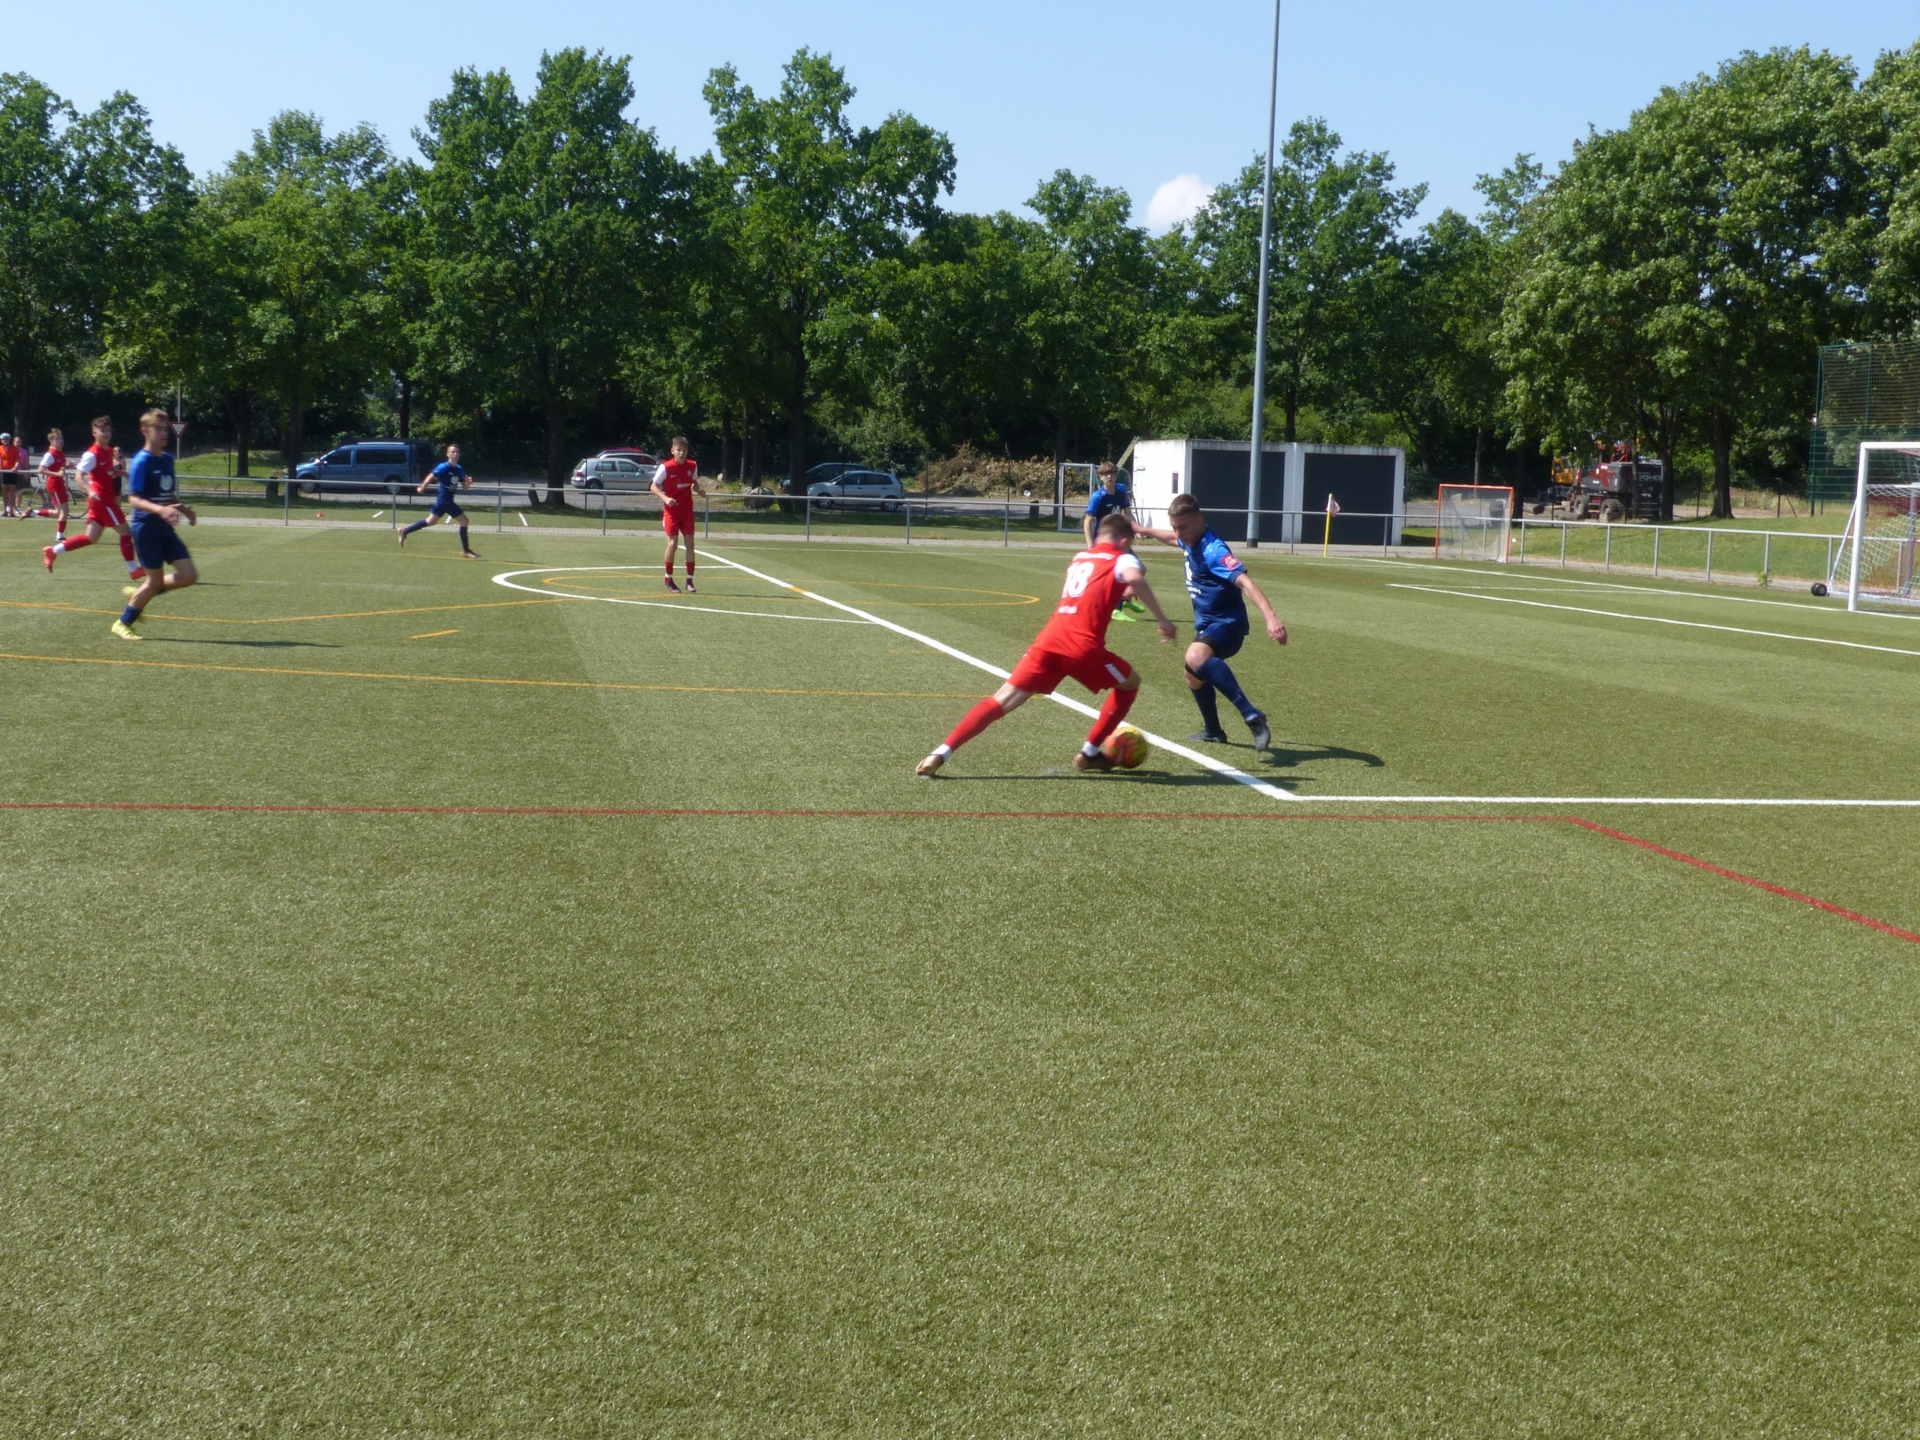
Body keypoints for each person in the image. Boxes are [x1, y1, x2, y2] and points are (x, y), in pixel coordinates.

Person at [916, 513, 1177, 777]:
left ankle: (940, 753)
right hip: (1081, 647)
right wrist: (1163, 620)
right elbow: (1134, 577)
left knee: (1001, 700)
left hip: (1048, 642)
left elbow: (1098, 586)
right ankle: (1089, 753)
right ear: (1123, 541)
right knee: (1130, 683)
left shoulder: (1080, 557)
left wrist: (1121, 587)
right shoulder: (1121, 558)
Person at [1135, 493, 1287, 751]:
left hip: (1228, 624)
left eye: (1182, 527)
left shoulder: (1213, 550)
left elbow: (1245, 582)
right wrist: (1145, 529)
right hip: (1209, 624)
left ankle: (1252, 715)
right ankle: (1213, 731)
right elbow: (1172, 539)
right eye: (1175, 527)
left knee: (1195, 657)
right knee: (1192, 676)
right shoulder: (1189, 538)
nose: (1178, 533)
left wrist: (1271, 617)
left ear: (1199, 520)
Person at [112, 410, 197, 641]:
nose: (163, 433)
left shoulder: (167, 459)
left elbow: (167, 492)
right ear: (145, 431)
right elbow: (134, 499)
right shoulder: (142, 461)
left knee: (189, 575)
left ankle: (142, 593)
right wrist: (161, 510)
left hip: (164, 527)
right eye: (157, 429)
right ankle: (122, 623)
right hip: (146, 528)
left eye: (164, 428)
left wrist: (183, 508)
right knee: (155, 581)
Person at [43, 416, 142, 579]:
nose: (106, 433)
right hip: (102, 500)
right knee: (126, 532)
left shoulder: (108, 451)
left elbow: (109, 472)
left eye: (108, 430)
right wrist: (90, 491)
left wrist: (124, 473)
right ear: (94, 432)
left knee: (91, 537)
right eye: (102, 430)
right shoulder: (91, 454)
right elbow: (78, 476)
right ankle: (133, 570)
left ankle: (53, 551)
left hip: (102, 500)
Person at [399, 444, 477, 557]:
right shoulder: (444, 466)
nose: (455, 454)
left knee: (430, 521)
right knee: (464, 521)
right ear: (448, 454)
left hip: (445, 501)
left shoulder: (459, 469)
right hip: (445, 500)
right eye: (453, 452)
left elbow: (465, 488)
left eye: (457, 452)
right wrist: (422, 487)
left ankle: (405, 530)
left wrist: (468, 482)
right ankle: (465, 550)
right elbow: (431, 475)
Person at [650, 435, 705, 592]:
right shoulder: (666, 467)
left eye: (684, 450)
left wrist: (699, 490)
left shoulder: (692, 466)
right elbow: (653, 486)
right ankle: (668, 578)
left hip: (686, 511)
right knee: (672, 544)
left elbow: (694, 482)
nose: (682, 453)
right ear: (672, 451)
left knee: (690, 544)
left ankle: (690, 581)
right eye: (679, 450)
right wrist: (665, 498)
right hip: (672, 512)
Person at [1081, 460, 1133, 548]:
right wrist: (1090, 545)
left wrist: (1136, 528)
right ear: (1101, 477)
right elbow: (1088, 521)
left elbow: (1128, 514)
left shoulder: (1121, 490)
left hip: (1117, 538)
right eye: (1106, 474)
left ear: (1116, 475)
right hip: (1102, 539)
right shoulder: (1097, 496)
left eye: (1112, 473)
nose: (1109, 476)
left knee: (1130, 557)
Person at [0, 432, 21, 517]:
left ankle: (11, 511)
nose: (6, 441)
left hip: (12, 472)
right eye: (4, 439)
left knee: (12, 491)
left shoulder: (14, 448)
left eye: (7, 439)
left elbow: (17, 460)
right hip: (4, 472)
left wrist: (15, 467)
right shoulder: (0, 448)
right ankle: (5, 510)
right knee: (5, 491)